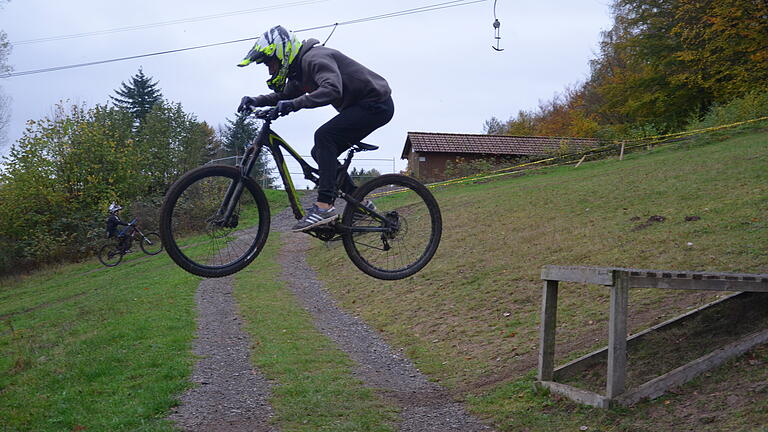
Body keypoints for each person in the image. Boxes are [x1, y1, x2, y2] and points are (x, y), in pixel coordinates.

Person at [236, 25, 394, 232]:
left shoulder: (315, 58)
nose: (271, 70)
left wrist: (293, 105)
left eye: (271, 63)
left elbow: (332, 88)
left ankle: (324, 206)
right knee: (319, 151)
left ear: (283, 52)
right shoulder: (299, 71)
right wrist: (256, 100)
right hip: (363, 106)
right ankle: (360, 204)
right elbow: (284, 96)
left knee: (324, 136)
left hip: (376, 103)